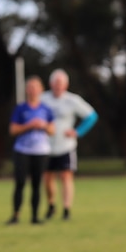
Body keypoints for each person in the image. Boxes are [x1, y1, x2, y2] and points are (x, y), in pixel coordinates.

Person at [41, 68, 98, 221]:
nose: (58, 86)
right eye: (55, 83)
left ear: (66, 85)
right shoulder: (43, 99)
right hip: (46, 146)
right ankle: (51, 205)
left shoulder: (72, 100)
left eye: (61, 83)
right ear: (51, 84)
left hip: (66, 145)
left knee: (66, 176)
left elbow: (92, 116)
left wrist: (77, 132)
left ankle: (66, 209)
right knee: (47, 177)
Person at [7, 75, 55, 225]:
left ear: (41, 89)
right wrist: (29, 125)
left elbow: (52, 130)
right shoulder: (21, 109)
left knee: (36, 184)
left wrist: (43, 126)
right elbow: (13, 130)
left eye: (36, 87)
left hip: (41, 151)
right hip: (22, 150)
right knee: (20, 182)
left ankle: (35, 216)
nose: (33, 90)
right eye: (30, 87)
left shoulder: (46, 109)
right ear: (27, 90)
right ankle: (15, 215)